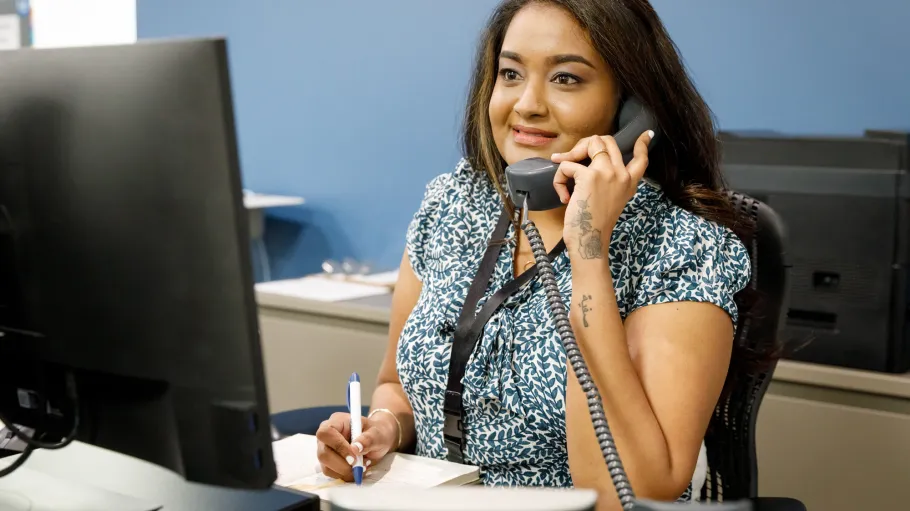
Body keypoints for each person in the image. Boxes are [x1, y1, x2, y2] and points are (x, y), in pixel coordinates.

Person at [316, 0, 768, 507]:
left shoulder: (683, 250)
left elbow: (626, 492)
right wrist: (380, 430)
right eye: (510, 73)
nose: (527, 103)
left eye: (566, 79)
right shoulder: (453, 203)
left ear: (629, 106)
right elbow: (396, 385)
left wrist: (590, 253)